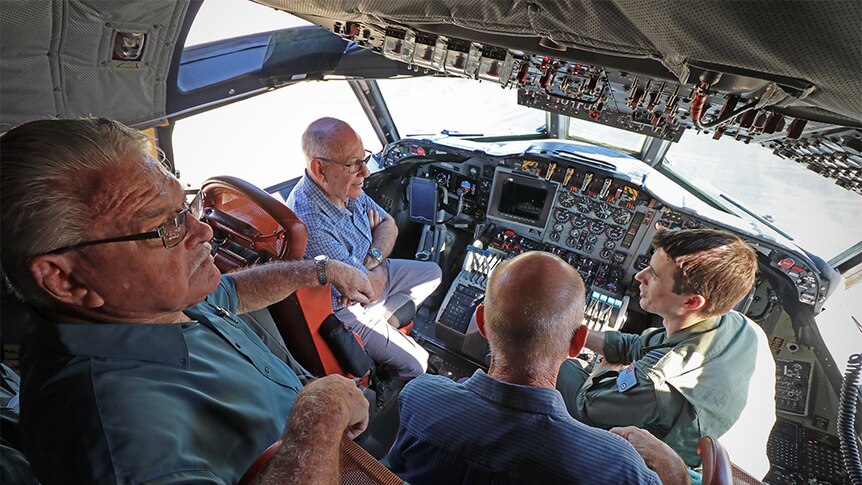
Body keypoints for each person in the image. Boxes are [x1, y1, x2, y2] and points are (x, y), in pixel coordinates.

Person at [0, 118, 374, 484]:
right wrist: (321, 415)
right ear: (64, 278)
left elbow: (231, 292)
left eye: (186, 208)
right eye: (165, 228)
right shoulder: (121, 440)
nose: (203, 230)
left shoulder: (143, 300)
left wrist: (318, 269)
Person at [387, 251, 663, 484]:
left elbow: (394, 468)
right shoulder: (618, 467)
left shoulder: (420, 396)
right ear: (577, 343)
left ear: (482, 322)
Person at [557, 228, 776, 476]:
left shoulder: (658, 382)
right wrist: (572, 332)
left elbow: (587, 405)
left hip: (687, 473)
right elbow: (637, 347)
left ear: (691, 302)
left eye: (655, 275)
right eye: (647, 266)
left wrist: (606, 366)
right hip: (735, 451)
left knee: (552, 364)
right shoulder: (737, 324)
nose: (640, 276)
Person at [287, 117, 441, 378]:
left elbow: (389, 224)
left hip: (368, 274)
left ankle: (381, 317)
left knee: (433, 273)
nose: (365, 172)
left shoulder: (344, 187)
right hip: (346, 308)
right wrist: (370, 269)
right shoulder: (310, 221)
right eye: (353, 164)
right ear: (320, 169)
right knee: (418, 364)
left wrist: (373, 258)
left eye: (364, 158)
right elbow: (369, 290)